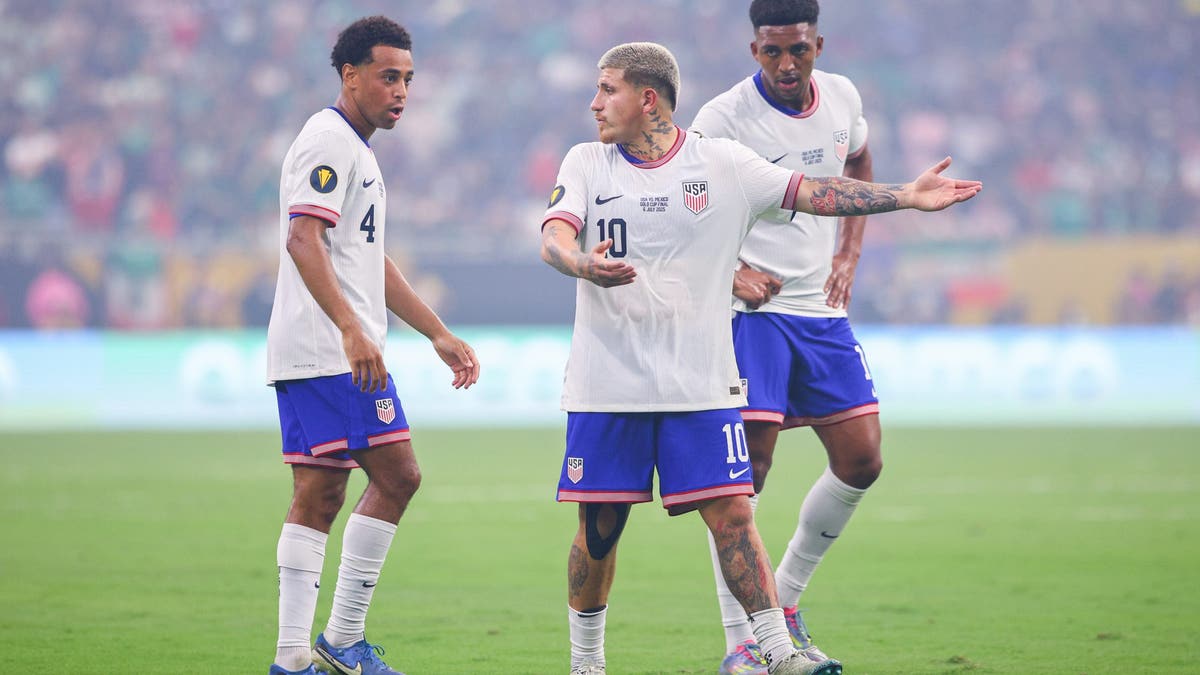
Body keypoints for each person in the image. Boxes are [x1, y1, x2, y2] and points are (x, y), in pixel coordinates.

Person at [539, 41, 979, 675]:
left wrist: (905, 196)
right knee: (600, 530)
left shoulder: (723, 165)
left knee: (735, 513)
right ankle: (586, 665)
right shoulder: (586, 162)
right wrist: (580, 261)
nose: (594, 102)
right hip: (609, 382)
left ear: (647, 98)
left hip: (702, 383)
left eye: (607, 89)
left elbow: (817, 192)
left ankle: (774, 652)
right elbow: (554, 234)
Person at [265, 16, 480, 675]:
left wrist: (435, 330)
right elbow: (304, 238)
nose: (402, 91)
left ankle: (293, 657)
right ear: (349, 75)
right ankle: (342, 638)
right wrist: (352, 329)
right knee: (398, 474)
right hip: (333, 353)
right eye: (388, 76)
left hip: (318, 349)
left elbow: (368, 259)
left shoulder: (358, 150)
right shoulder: (329, 140)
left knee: (320, 493)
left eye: (409, 79)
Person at [687, 1, 885, 671]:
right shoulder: (723, 118)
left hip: (819, 313)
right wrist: (734, 269)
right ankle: (740, 643)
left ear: (818, 44)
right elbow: (685, 202)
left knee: (862, 458)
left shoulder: (844, 98)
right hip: (752, 318)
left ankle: (787, 601)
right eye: (772, 51)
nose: (786, 63)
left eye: (798, 49)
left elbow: (858, 165)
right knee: (747, 476)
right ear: (754, 51)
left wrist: (849, 252)